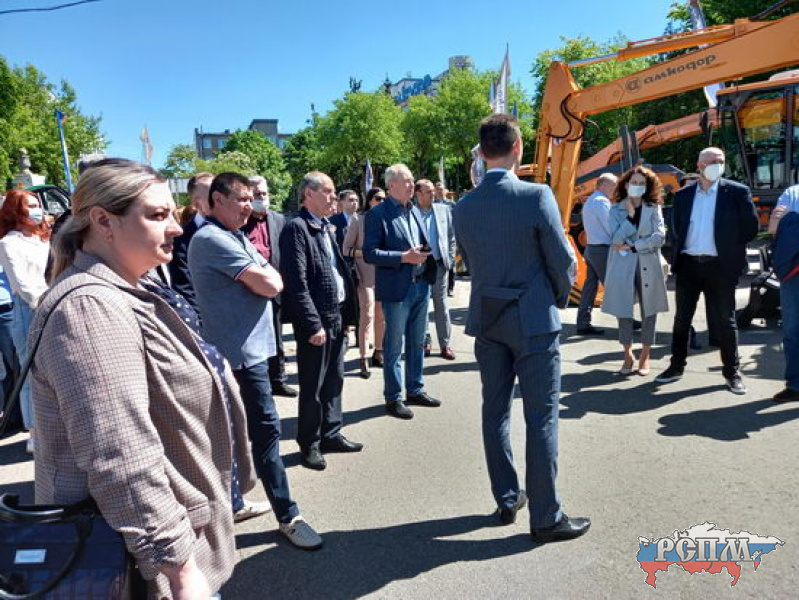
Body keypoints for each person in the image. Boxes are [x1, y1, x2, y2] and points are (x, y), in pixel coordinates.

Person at [31, 158, 257, 599]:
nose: (175, 227)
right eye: (157, 215)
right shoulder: (90, 309)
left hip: (161, 547)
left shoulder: (132, 286)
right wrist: (179, 566)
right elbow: (120, 454)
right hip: (140, 567)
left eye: (172, 213)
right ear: (103, 222)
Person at [453, 114, 590, 543]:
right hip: (532, 318)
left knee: (494, 411)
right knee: (541, 416)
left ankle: (508, 497)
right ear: (517, 148)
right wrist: (554, 297)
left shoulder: (463, 206)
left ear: (481, 153)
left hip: (488, 318)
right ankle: (546, 516)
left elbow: (471, 263)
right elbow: (561, 261)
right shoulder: (536, 195)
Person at [188, 171, 322, 550]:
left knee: (241, 435)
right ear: (217, 200)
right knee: (265, 432)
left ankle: (233, 504)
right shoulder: (212, 239)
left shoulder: (235, 235)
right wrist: (266, 277)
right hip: (239, 357)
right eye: (242, 199)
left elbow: (271, 276)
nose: (250, 206)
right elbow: (270, 283)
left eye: (252, 198)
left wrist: (267, 276)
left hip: (250, 353)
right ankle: (289, 516)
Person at [655, 147, 759, 394]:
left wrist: (729, 248)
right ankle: (676, 366)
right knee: (682, 320)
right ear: (700, 165)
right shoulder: (684, 195)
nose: (718, 165)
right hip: (689, 264)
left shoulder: (736, 192)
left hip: (720, 266)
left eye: (721, 161)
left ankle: (732, 372)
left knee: (726, 320)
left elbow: (750, 227)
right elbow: (676, 228)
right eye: (713, 161)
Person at [279, 172, 363, 471]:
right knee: (313, 385)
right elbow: (296, 282)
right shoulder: (297, 228)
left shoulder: (326, 226)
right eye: (328, 191)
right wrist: (312, 324)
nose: (333, 197)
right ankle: (310, 443)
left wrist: (347, 316)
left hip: (336, 315)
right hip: (316, 321)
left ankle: (331, 433)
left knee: (334, 379)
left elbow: (337, 271)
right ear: (308, 194)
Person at [364, 164, 442, 420]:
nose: (412, 185)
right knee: (394, 346)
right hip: (397, 289)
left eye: (412, 181)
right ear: (391, 185)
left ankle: (415, 389)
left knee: (417, 342)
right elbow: (370, 253)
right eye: (407, 181)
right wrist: (403, 257)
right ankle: (394, 397)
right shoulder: (378, 214)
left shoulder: (413, 210)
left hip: (420, 285)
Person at [601, 167, 669, 375]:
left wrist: (634, 246)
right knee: (623, 310)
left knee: (649, 310)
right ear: (626, 184)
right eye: (634, 182)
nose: (637, 186)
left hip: (648, 263)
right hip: (622, 266)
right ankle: (627, 354)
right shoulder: (615, 209)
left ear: (648, 186)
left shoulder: (653, 208)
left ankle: (645, 355)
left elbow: (660, 237)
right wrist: (630, 218)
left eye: (641, 183)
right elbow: (615, 240)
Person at [0, 189, 50, 454]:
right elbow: (21, 285)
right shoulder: (9, 243)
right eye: (30, 205)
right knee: (30, 373)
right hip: (28, 309)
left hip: (52, 304)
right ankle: (33, 432)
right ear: (15, 210)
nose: (36, 210)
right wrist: (47, 303)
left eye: (37, 204)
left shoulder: (42, 240)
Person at [242, 175, 298, 398]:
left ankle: (278, 379)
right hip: (249, 287)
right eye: (257, 194)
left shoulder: (279, 219)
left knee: (276, 336)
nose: (261, 198)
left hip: (275, 286)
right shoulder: (241, 220)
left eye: (264, 194)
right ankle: (257, 382)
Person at [343, 187, 386, 378]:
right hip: (363, 275)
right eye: (378, 198)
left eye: (384, 198)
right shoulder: (358, 221)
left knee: (381, 315)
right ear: (370, 201)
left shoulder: (387, 220)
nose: (382, 201)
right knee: (367, 315)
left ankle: (379, 351)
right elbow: (346, 249)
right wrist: (367, 254)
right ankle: (363, 357)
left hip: (383, 275)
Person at [416, 179, 456, 360]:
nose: (433, 194)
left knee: (442, 306)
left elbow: (451, 236)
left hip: (439, 265)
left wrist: (450, 259)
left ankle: (445, 345)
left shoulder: (443, 210)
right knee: (422, 305)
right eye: (428, 191)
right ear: (418, 194)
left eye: (433, 191)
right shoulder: (411, 212)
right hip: (419, 265)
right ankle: (425, 342)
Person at [576, 173, 617, 336]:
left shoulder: (590, 201)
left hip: (591, 248)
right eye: (613, 185)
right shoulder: (602, 202)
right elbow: (611, 226)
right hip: (602, 250)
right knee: (614, 286)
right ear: (604, 185)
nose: (615, 189)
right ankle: (626, 320)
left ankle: (583, 322)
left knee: (589, 288)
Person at [167, 172, 213, 313]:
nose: (220, 199)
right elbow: (184, 287)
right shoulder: (181, 239)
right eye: (213, 195)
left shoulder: (236, 230)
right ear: (196, 202)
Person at [769, 188, 799, 402]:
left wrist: (790, 221)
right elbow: (773, 228)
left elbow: (782, 226)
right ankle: (796, 385)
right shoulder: (793, 193)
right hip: (793, 274)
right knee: (792, 331)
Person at [434, 182, 457, 297]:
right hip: (437, 238)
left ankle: (450, 288)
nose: (439, 191)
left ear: (445, 191)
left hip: (449, 237)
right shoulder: (432, 204)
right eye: (437, 189)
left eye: (441, 189)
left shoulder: (451, 204)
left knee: (451, 262)